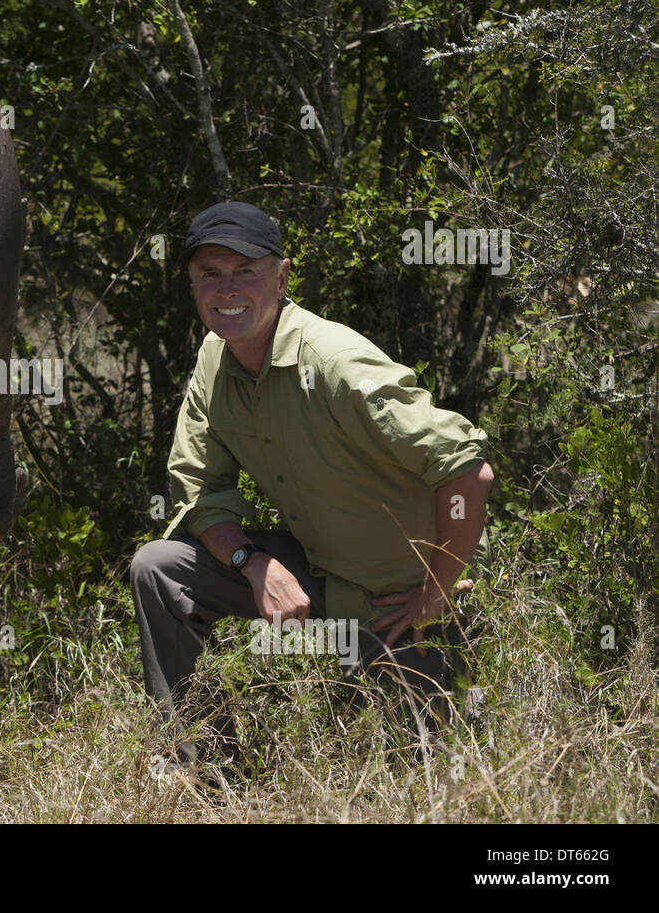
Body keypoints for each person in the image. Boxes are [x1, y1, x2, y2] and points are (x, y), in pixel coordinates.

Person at [131, 201, 494, 770]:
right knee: (158, 566)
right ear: (193, 285)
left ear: (281, 276)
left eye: (245, 271)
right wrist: (254, 562)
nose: (227, 289)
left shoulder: (335, 362)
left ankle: (448, 684)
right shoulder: (214, 358)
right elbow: (201, 491)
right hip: (315, 568)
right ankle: (210, 773)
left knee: (408, 772)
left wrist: (437, 588)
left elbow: (468, 471)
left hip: (391, 602)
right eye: (210, 274)